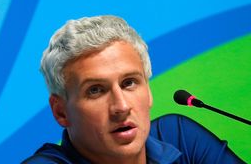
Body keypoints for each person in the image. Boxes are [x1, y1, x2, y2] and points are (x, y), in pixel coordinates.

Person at [22, 15, 244, 163]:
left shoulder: (178, 137)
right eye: (95, 90)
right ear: (61, 112)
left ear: (148, 92)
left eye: (129, 83)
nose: (121, 106)